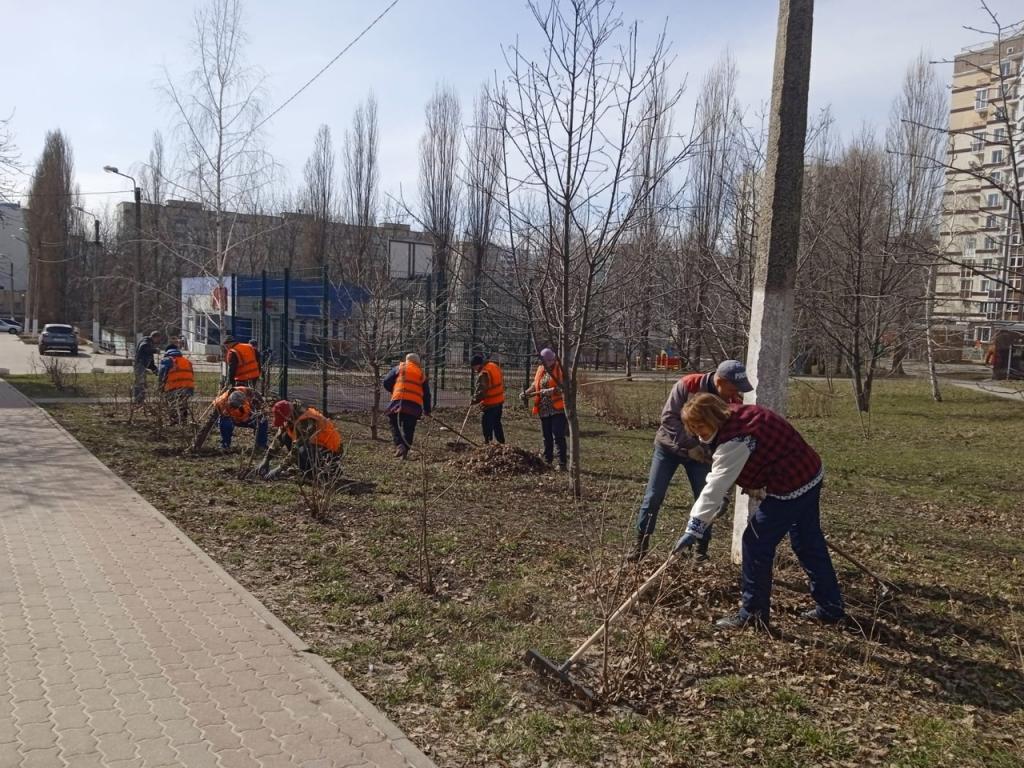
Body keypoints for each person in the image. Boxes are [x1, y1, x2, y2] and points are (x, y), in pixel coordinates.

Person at [674, 393, 845, 630]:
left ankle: (753, 614)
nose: (697, 433)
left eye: (700, 426)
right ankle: (831, 607)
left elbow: (716, 482)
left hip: (792, 483)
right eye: (692, 428)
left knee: (755, 542)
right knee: (808, 542)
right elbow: (731, 469)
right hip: (809, 471)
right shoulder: (733, 416)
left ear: (713, 417)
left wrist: (695, 526)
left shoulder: (736, 437)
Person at [627, 360, 753, 563]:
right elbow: (669, 418)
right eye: (732, 388)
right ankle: (640, 547)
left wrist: (705, 453)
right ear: (720, 381)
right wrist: (689, 445)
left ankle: (700, 552)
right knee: (653, 496)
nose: (734, 393)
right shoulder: (688, 384)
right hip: (668, 448)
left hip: (702, 455)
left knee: (706, 497)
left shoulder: (733, 401)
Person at [258, 400, 343, 480]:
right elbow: (278, 439)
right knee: (285, 437)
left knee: (302, 450)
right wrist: (266, 459)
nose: (284, 422)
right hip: (315, 448)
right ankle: (307, 470)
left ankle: (331, 470)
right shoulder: (290, 415)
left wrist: (279, 468)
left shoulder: (307, 421)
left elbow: (296, 448)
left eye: (283, 419)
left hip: (330, 451)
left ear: (289, 415)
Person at [521, 348, 567, 471]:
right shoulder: (541, 369)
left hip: (557, 409)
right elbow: (535, 384)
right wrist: (527, 392)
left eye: (546, 361)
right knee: (546, 436)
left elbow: (566, 386)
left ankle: (562, 463)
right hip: (544, 409)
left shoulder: (560, 368)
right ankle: (548, 460)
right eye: (543, 361)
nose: (544, 363)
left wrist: (553, 390)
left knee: (558, 435)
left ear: (552, 359)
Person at [383, 353, 432, 458]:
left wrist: (394, 390)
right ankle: (405, 449)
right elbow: (427, 394)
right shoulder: (421, 374)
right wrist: (427, 410)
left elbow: (386, 381)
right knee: (409, 428)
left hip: (398, 402)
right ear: (418, 363)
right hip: (413, 406)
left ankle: (399, 445)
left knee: (394, 423)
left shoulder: (399, 368)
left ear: (406, 360)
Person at [214, 386, 268, 451]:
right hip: (231, 419)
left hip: (247, 416)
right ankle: (225, 445)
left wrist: (259, 407)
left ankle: (261, 445)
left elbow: (260, 402)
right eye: (234, 406)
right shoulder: (221, 402)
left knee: (262, 420)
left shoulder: (246, 391)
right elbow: (218, 415)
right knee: (225, 423)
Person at [471, 354, 505, 444]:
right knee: (497, 423)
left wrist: (474, 400)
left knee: (486, 424)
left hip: (490, 403)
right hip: (499, 401)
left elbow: (481, 391)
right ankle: (501, 442)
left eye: (474, 367)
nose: (474, 370)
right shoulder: (493, 366)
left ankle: (487, 442)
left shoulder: (484, 373)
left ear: (478, 364)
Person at [158, 343, 194, 425]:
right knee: (183, 404)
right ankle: (184, 421)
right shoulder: (186, 361)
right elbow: (191, 374)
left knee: (172, 404)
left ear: (167, 352)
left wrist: (160, 387)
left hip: (173, 386)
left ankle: (174, 422)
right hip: (187, 387)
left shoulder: (167, 360)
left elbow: (162, 374)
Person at [133, 330, 165, 404]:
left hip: (143, 365)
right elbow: (143, 348)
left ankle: (141, 399)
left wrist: (155, 370)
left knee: (143, 383)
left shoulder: (149, 343)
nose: (158, 341)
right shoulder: (146, 341)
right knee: (140, 382)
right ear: (155, 337)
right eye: (158, 339)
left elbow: (150, 361)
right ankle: (138, 400)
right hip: (140, 365)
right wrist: (155, 350)